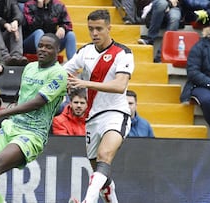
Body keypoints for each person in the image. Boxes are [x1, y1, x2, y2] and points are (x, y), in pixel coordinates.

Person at [0, 33, 67, 203]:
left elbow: (37, 103)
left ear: (57, 50)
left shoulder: (59, 74)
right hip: (11, 127)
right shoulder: (30, 67)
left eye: (48, 47)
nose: (42, 49)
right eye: (41, 45)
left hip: (32, 134)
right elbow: (21, 98)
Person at [64, 9, 134, 203]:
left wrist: (85, 83)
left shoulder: (123, 53)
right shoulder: (84, 52)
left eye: (98, 29)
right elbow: (63, 74)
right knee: (100, 173)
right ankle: (110, 195)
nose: (94, 33)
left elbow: (120, 86)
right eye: (90, 29)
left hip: (116, 113)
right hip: (92, 118)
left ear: (109, 28)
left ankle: (89, 200)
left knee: (104, 156)